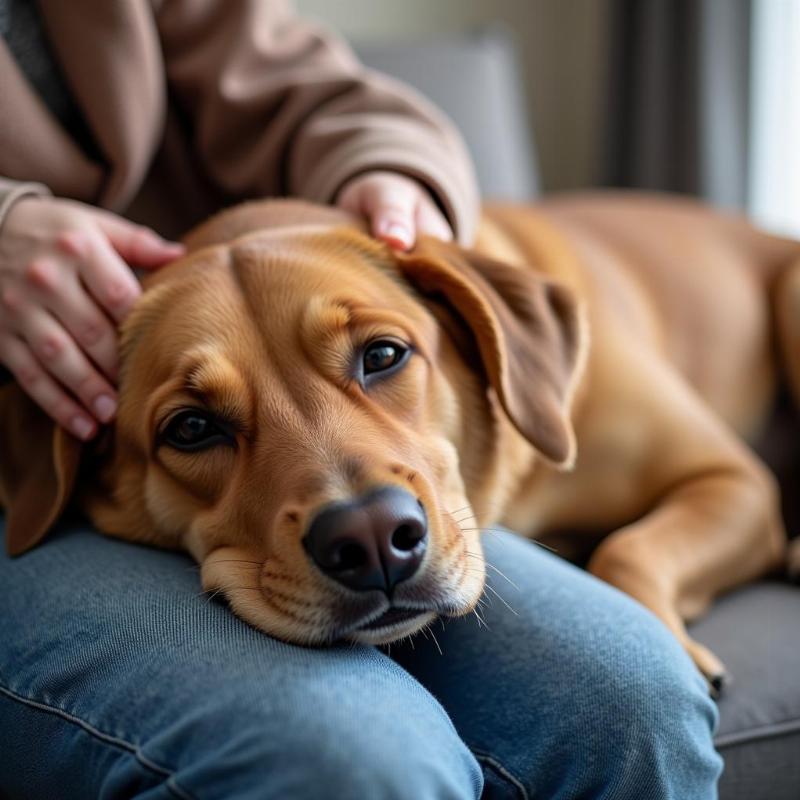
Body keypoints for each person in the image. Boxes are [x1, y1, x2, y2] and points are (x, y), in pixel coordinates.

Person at [0, 2, 722, 797]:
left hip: (220, 299)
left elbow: (304, 88)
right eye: (198, 426)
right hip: (46, 425)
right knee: (355, 761)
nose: (363, 522)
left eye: (381, 357)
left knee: (633, 701)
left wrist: (391, 178)